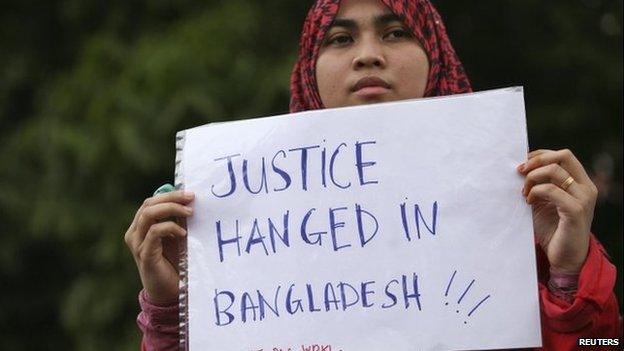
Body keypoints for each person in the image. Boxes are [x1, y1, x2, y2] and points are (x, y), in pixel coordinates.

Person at [123, 0, 621, 350]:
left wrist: (567, 279)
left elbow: (605, 342)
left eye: (396, 31)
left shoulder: (527, 211)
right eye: (340, 38)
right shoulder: (244, 231)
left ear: (435, 52)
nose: (368, 54)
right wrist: (170, 315)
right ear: (309, 71)